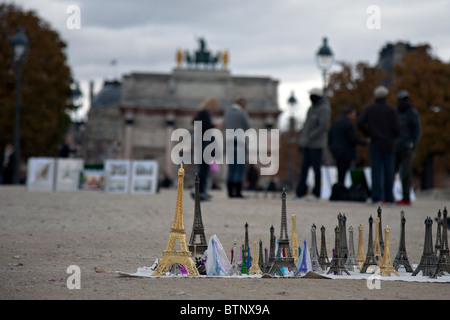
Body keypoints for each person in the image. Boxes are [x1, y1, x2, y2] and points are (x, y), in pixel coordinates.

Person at [357, 85, 401, 204]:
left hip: (375, 142)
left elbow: (360, 122)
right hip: (389, 144)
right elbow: (398, 128)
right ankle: (389, 197)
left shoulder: (370, 109)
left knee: (376, 171)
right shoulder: (392, 110)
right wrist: (392, 136)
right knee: (389, 171)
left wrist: (368, 134)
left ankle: (376, 196)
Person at [295, 88, 331, 200]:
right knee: (304, 168)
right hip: (307, 143)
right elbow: (306, 125)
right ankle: (300, 192)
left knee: (316, 169)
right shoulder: (312, 108)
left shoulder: (324, 108)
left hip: (316, 144)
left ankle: (316, 193)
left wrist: (309, 136)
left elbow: (323, 126)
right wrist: (302, 139)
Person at [394, 90, 422, 205]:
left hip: (406, 147)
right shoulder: (396, 112)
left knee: (405, 173)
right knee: (392, 171)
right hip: (396, 146)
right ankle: (389, 195)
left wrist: (413, 143)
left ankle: (406, 197)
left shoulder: (412, 113)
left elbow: (417, 130)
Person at [328, 107, 367, 185]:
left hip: (336, 151)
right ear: (349, 114)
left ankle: (340, 186)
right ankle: (341, 187)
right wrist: (363, 143)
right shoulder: (348, 124)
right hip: (346, 152)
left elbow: (330, 135)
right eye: (353, 114)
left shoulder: (336, 122)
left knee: (339, 170)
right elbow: (352, 138)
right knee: (344, 170)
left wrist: (331, 147)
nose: (354, 116)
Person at [223, 97, 251, 198]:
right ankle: (237, 191)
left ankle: (230, 192)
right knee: (239, 167)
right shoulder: (242, 113)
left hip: (229, 141)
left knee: (231, 167)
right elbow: (248, 127)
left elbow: (224, 125)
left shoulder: (227, 113)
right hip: (240, 142)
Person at [192, 98, 218, 201]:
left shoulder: (199, 113)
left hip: (200, 143)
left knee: (202, 168)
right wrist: (214, 125)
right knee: (204, 169)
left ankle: (201, 191)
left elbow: (193, 122)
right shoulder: (205, 113)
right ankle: (200, 192)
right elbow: (207, 127)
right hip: (205, 143)